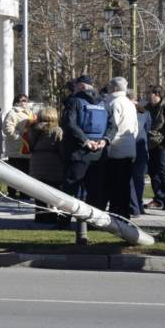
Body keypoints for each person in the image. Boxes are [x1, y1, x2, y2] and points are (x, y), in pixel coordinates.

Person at [62, 76, 111, 243]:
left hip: (79, 151)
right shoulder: (103, 102)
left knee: (70, 187)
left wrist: (85, 141)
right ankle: (94, 222)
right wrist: (104, 140)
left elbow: (69, 124)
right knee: (96, 189)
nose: (73, 88)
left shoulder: (75, 101)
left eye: (75, 86)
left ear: (81, 86)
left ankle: (64, 220)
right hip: (99, 152)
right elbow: (113, 124)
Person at [100, 77, 138, 219]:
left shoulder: (113, 103)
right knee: (125, 184)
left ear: (114, 88)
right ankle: (124, 213)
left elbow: (112, 127)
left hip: (116, 149)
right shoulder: (130, 103)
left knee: (114, 184)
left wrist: (106, 144)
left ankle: (116, 213)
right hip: (129, 147)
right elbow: (135, 128)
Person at [26, 107, 66, 224]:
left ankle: (39, 217)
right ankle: (51, 217)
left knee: (39, 193)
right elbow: (61, 148)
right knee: (52, 192)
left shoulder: (32, 130)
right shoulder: (57, 130)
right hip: (53, 164)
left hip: (36, 163)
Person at [144, 87, 165, 211]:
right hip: (150, 144)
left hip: (163, 145)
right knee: (153, 172)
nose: (147, 95)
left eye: (149, 93)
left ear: (157, 94)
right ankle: (158, 199)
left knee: (163, 171)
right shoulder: (146, 108)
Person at [2, 94, 34, 197]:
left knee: (26, 173)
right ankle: (12, 192)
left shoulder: (30, 113)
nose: (24, 102)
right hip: (16, 149)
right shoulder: (13, 113)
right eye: (21, 100)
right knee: (14, 173)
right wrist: (18, 138)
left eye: (25, 100)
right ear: (16, 102)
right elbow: (7, 128)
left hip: (27, 148)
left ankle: (25, 193)